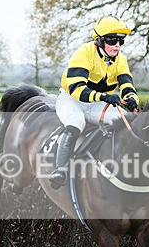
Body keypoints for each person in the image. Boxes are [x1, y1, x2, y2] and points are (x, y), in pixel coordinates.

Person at [50, 16, 139, 189]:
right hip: (71, 100)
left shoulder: (121, 59)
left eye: (121, 40)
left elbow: (127, 84)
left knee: (125, 121)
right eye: (112, 40)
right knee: (76, 122)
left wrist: (131, 100)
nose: (117, 45)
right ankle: (60, 169)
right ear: (99, 40)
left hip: (96, 103)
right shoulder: (83, 53)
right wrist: (105, 97)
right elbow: (77, 90)